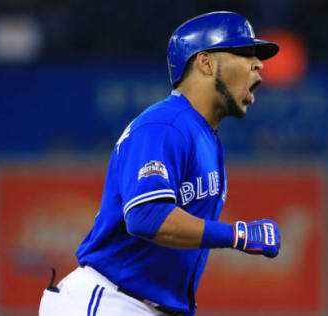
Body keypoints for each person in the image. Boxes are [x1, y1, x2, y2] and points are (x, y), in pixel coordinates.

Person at [39, 11, 281, 316]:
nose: (258, 64)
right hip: (109, 301)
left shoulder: (205, 138)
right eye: (244, 53)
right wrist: (238, 235)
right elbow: (146, 215)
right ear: (205, 63)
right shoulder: (165, 124)